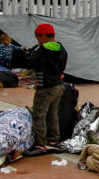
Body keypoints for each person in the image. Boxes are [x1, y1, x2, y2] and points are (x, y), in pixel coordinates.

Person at [24, 23, 68, 156]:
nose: (38, 40)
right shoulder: (61, 49)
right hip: (59, 86)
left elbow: (35, 65)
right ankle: (54, 139)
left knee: (39, 114)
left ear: (44, 36)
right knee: (52, 113)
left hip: (46, 88)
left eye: (38, 37)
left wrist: (30, 56)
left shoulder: (43, 50)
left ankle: (40, 144)